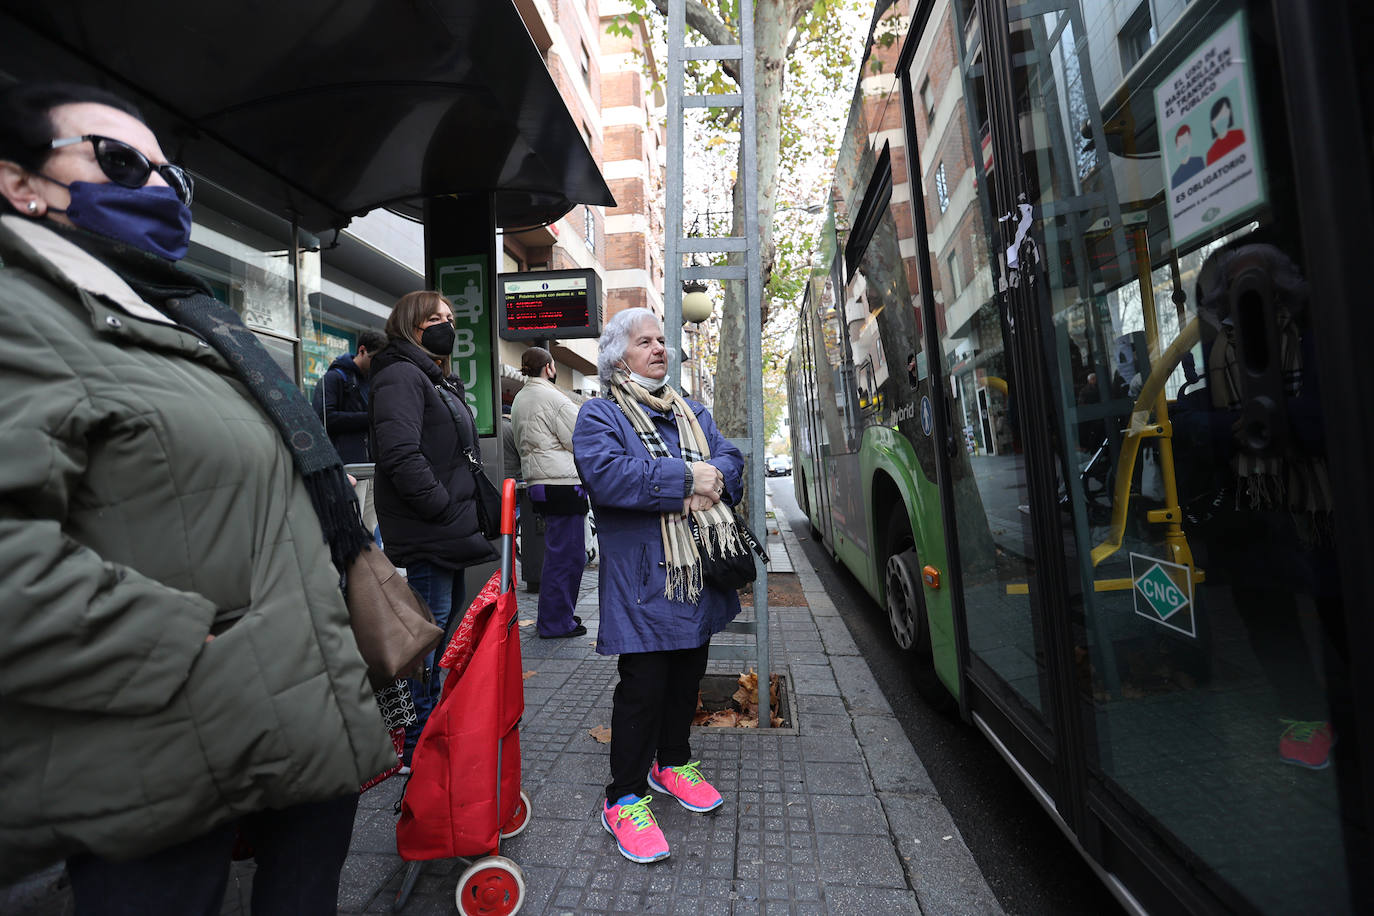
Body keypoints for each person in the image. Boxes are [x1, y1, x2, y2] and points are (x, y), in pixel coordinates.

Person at [0, 82, 394, 912]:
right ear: (19, 183)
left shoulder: (182, 320)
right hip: (162, 756)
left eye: (170, 177)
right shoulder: (24, 310)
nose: (155, 186)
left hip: (296, 727)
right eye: (116, 160)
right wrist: (193, 651)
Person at [572, 308, 745, 864]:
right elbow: (607, 476)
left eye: (662, 341)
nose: (659, 349)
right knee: (643, 684)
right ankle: (623, 796)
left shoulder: (690, 408)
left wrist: (710, 479)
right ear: (617, 354)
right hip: (646, 578)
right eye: (644, 341)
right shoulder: (599, 414)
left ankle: (672, 761)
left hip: (698, 568)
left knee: (687, 672)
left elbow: (729, 458)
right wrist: (684, 481)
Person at [368, 289, 498, 768]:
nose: (448, 324)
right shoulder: (402, 375)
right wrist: (442, 508)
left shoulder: (432, 377)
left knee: (436, 634)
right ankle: (417, 746)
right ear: (409, 325)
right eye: (435, 318)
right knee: (424, 637)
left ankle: (427, 735)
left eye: (451, 316)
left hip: (444, 529)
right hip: (431, 529)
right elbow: (400, 454)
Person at [511, 346, 588, 639]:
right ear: (549, 367)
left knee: (556, 554)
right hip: (563, 483)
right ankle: (556, 621)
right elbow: (579, 438)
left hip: (537, 483)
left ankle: (558, 614)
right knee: (568, 557)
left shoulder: (520, 398)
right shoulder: (553, 397)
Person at [314, 328, 388, 541]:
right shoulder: (334, 378)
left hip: (370, 466)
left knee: (369, 526)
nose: (377, 364)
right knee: (351, 527)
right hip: (349, 468)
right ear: (362, 351)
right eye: (375, 359)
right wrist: (370, 417)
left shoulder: (369, 381)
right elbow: (324, 418)